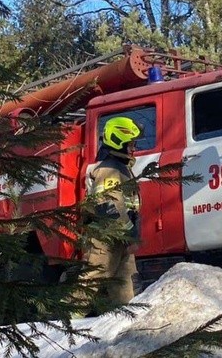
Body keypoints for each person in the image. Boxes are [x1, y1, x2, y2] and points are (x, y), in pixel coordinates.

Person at [79, 116, 143, 309]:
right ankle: (62, 323)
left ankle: (126, 326)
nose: (134, 148)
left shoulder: (121, 168)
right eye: (131, 144)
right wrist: (130, 233)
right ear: (119, 141)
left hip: (118, 238)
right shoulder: (109, 170)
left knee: (126, 289)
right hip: (105, 239)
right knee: (90, 283)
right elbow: (109, 207)